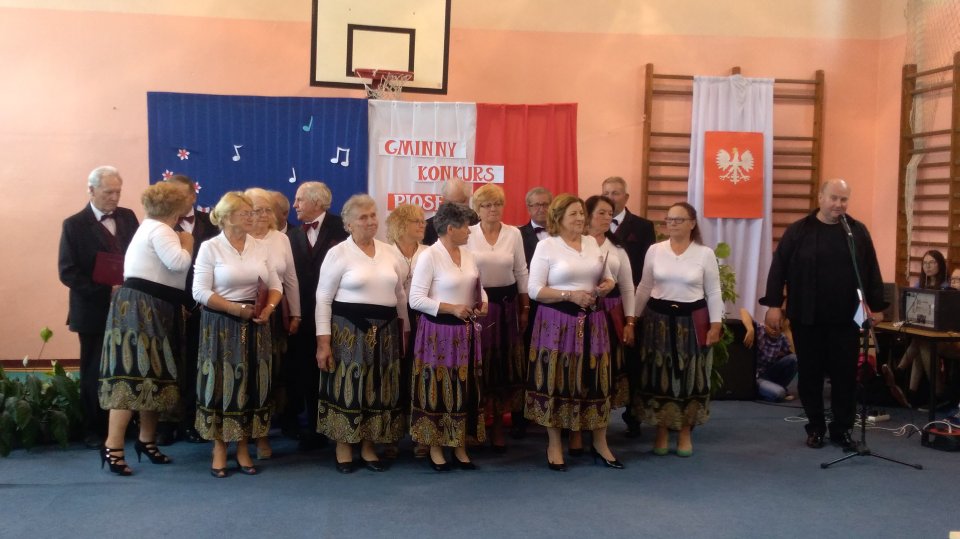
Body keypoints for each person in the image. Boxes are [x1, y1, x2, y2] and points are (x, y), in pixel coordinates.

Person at [760, 179, 886, 451]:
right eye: (834, 198)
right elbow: (778, 268)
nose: (839, 204)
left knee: (845, 377)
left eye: (844, 199)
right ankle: (816, 427)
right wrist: (774, 305)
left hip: (846, 318)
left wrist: (876, 306)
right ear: (820, 197)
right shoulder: (798, 231)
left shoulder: (856, 231)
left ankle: (842, 429)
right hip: (807, 317)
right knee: (810, 376)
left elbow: (871, 269)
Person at [97, 182, 194, 475]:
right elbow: (178, 263)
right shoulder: (161, 230)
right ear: (176, 208)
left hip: (154, 306)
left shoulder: (151, 227)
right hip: (142, 308)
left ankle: (146, 440)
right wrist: (188, 241)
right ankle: (113, 446)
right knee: (132, 377)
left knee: (153, 376)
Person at [315, 194, 408, 473]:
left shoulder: (391, 252)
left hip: (387, 333)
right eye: (363, 217)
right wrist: (323, 343)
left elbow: (400, 296)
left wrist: (405, 331)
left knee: (377, 388)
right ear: (349, 224)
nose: (370, 221)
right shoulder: (338, 253)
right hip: (348, 332)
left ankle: (369, 446)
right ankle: (344, 446)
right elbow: (323, 299)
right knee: (347, 386)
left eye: (373, 215)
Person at [193, 192, 283, 477]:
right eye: (246, 213)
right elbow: (200, 291)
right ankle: (220, 448)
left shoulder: (261, 247)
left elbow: (276, 285)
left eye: (253, 212)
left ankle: (243, 446)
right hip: (221, 325)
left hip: (257, 323)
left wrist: (269, 308)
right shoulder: (210, 248)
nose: (253, 217)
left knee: (251, 384)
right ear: (228, 216)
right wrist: (235, 309)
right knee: (222, 384)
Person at [525, 194, 618, 471]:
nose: (580, 218)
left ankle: (600, 443)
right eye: (573, 214)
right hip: (557, 324)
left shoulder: (591, 243)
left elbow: (609, 277)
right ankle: (554, 444)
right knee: (557, 381)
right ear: (559, 218)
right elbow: (534, 290)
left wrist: (607, 285)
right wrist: (570, 295)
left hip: (593, 323)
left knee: (596, 380)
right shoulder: (547, 246)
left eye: (581, 213)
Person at [58, 165, 139, 448]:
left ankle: (123, 426)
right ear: (91, 191)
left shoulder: (128, 217)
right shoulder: (73, 224)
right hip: (92, 311)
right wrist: (106, 291)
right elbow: (67, 272)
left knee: (125, 367)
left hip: (127, 309)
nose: (114, 198)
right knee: (94, 371)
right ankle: (93, 429)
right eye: (108, 192)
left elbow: (138, 256)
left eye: (118, 192)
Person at [634, 202, 722, 457]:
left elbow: (713, 291)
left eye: (678, 219)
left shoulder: (704, 254)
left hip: (691, 322)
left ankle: (684, 432)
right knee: (657, 376)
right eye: (669, 219)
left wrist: (716, 324)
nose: (672, 223)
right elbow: (644, 286)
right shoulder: (655, 250)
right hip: (657, 321)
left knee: (689, 377)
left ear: (692, 223)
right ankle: (661, 430)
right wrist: (632, 319)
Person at [409, 202, 488, 472]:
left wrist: (483, 303)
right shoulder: (429, 256)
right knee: (438, 388)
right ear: (451, 229)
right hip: (438, 332)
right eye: (466, 226)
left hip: (466, 332)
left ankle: (459, 445)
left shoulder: (469, 255)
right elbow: (416, 299)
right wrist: (451, 308)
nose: (470, 231)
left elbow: (478, 287)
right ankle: (435, 446)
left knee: (464, 388)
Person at [283, 181, 348, 449]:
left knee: (338, 372)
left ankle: (342, 429)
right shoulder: (292, 236)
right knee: (307, 373)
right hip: (303, 318)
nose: (295, 205)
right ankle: (314, 428)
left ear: (317, 202)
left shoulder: (343, 228)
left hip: (337, 315)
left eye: (299, 200)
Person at [466, 184, 530, 452]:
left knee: (503, 367)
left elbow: (521, 271)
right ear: (477, 209)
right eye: (487, 205)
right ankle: (476, 426)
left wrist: (524, 307)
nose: (493, 209)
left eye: (497, 204)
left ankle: (499, 429)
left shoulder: (513, 234)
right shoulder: (468, 233)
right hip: (478, 307)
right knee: (479, 367)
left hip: (506, 307)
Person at [157, 174, 217, 446]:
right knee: (167, 363)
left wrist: (203, 299)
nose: (175, 200)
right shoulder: (160, 225)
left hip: (203, 306)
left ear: (193, 196)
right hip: (168, 304)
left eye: (180, 195)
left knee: (197, 365)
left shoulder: (211, 223)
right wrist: (176, 302)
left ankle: (193, 420)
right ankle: (166, 423)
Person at [245, 187, 301, 460]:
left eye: (268, 210)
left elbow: (290, 278)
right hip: (239, 317)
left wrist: (296, 314)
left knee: (268, 377)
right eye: (258, 210)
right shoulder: (236, 237)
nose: (265, 215)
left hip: (273, 317)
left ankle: (262, 435)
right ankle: (240, 434)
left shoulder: (281, 239)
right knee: (243, 377)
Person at [601, 176, 656, 437]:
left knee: (632, 359)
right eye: (606, 193)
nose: (611, 197)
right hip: (599, 303)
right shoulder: (591, 227)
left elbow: (647, 268)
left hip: (630, 300)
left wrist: (635, 307)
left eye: (615, 193)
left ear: (626, 197)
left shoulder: (643, 226)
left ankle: (633, 415)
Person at [584, 195, 636, 412]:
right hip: (582, 310)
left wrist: (630, 322)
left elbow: (627, 287)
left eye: (610, 214)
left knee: (607, 364)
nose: (607, 217)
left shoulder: (617, 248)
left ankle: (601, 416)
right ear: (588, 215)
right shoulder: (576, 243)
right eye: (601, 213)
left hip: (610, 312)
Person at [384, 203, 428, 458]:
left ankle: (420, 435)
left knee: (418, 375)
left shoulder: (429, 252)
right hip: (394, 319)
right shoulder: (385, 252)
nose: (422, 225)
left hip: (423, 317)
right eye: (416, 221)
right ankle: (391, 436)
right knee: (394, 374)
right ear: (400, 225)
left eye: (423, 220)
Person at [882, 249, 948, 408]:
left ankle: (900, 372)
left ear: (940, 264)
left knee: (922, 344)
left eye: (932, 262)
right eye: (925, 263)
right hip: (923, 332)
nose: (928, 266)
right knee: (920, 343)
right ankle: (913, 394)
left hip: (942, 337)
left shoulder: (946, 287)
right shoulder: (919, 284)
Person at [514, 186, 553, 439]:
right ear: (528, 208)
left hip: (558, 306)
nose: (541, 208)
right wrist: (524, 308)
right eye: (535, 204)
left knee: (553, 361)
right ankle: (521, 418)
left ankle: (553, 415)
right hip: (530, 306)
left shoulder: (563, 235)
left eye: (545, 204)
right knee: (525, 360)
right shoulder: (518, 234)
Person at [740, 308, 798, 402]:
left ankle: (772, 389)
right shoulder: (760, 330)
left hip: (768, 374)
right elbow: (743, 311)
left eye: (777, 327)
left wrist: (786, 328)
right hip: (756, 377)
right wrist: (750, 329)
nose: (774, 331)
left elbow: (794, 353)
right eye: (771, 326)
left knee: (794, 359)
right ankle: (764, 391)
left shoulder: (782, 337)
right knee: (779, 393)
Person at [423, 178, 479, 246]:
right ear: (443, 200)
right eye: (451, 203)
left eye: (460, 202)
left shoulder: (478, 223)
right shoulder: (428, 228)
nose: (455, 207)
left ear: (468, 199)